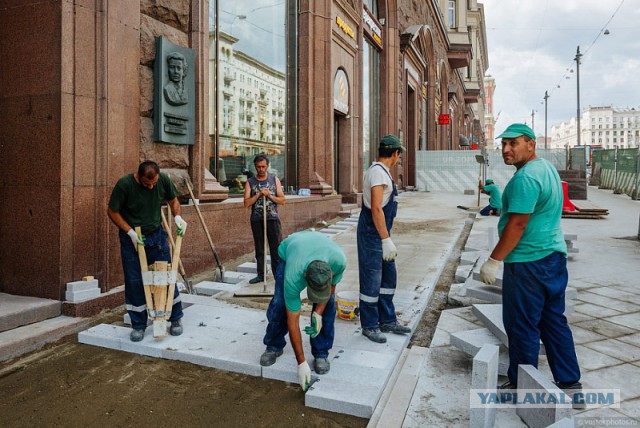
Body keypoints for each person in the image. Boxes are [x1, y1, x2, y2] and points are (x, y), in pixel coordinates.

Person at [479, 123, 581, 396]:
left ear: (531, 144)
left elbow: (518, 225)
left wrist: (493, 260)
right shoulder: (545, 168)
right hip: (553, 258)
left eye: (514, 143)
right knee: (553, 320)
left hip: (528, 263)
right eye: (504, 144)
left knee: (521, 325)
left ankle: (524, 386)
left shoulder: (525, 178)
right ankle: (570, 381)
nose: (506, 149)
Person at [107, 161, 188, 342]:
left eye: (154, 183)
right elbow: (112, 212)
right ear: (138, 176)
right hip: (132, 238)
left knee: (166, 276)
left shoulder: (163, 180)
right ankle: (138, 324)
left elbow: (173, 200)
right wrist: (130, 232)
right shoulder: (125, 185)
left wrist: (178, 217)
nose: (151, 187)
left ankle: (175, 318)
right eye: (146, 184)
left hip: (156, 236)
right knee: (135, 280)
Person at [259, 231, 347, 392]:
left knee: (328, 307)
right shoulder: (294, 275)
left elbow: (331, 287)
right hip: (290, 250)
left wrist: (318, 314)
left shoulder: (338, 261)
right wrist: (301, 363)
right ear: (305, 276)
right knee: (280, 304)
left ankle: (321, 353)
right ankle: (273, 345)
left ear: (331, 273)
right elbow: (294, 322)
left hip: (319, 246)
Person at [358, 134, 411, 344]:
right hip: (373, 234)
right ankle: (369, 325)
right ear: (396, 153)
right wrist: (385, 239)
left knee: (388, 278)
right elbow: (377, 209)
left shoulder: (382, 173)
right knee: (371, 280)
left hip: (380, 233)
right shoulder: (378, 174)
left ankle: (387, 319)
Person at [243, 154, 286, 284]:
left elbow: (282, 200)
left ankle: (277, 274)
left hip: (272, 218)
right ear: (255, 166)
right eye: (258, 167)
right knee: (260, 248)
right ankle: (261, 274)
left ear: (267, 166)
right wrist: (258, 194)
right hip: (257, 219)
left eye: (263, 166)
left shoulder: (274, 179)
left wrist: (269, 195)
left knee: (275, 248)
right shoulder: (250, 182)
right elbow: (246, 203)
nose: (261, 169)